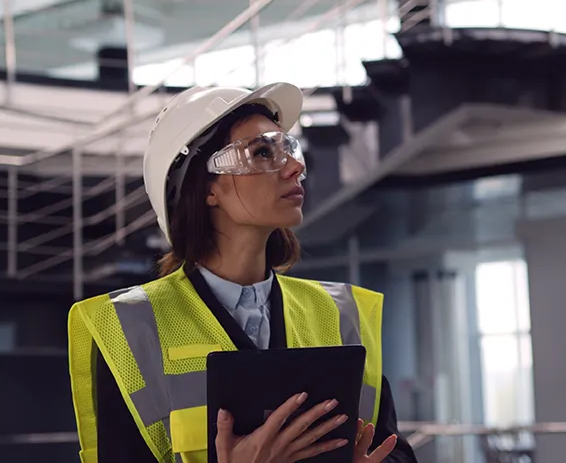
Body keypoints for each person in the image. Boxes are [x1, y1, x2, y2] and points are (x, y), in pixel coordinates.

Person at [67, 82, 417, 463]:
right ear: (207, 189)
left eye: (288, 149)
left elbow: (392, 451)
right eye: (262, 152)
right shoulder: (130, 330)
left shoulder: (340, 314)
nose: (296, 167)